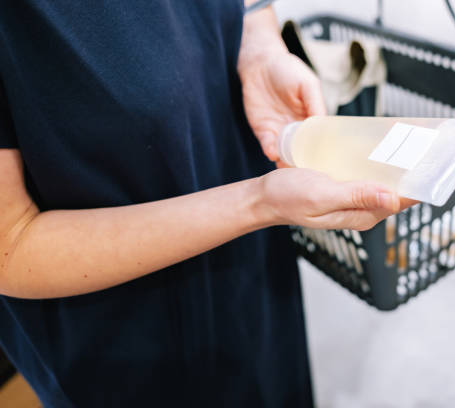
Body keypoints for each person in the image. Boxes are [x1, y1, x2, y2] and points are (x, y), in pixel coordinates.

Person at [0, 1, 412, 407]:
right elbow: (10, 244)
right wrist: (256, 203)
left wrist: (258, 42)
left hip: (250, 245)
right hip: (122, 337)